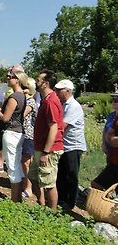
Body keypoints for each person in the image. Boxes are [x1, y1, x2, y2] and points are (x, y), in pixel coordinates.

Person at [0, 70, 28, 202]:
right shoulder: (23, 96)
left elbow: (5, 118)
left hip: (11, 133)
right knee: (16, 165)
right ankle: (17, 199)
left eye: (11, 77)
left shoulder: (14, 97)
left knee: (12, 168)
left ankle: (15, 200)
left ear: (17, 80)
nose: (8, 78)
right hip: (18, 132)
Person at [28, 69, 64, 212]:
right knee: (33, 177)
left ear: (46, 84)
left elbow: (54, 128)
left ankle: (52, 213)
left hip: (49, 150)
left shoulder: (51, 102)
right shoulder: (46, 100)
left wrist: (46, 152)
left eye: (39, 80)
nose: (36, 82)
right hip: (40, 148)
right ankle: (42, 207)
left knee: (49, 184)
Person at [54, 79, 87, 210]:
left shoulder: (73, 106)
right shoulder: (63, 105)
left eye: (59, 90)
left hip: (73, 146)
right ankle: (61, 199)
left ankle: (70, 202)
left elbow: (62, 126)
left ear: (67, 91)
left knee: (71, 174)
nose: (56, 92)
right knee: (61, 173)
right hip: (65, 145)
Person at [91, 113, 118, 190]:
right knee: (96, 184)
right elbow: (109, 134)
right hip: (114, 161)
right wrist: (112, 140)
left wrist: (113, 139)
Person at [21, 77, 37, 199]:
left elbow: (22, 115)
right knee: (23, 161)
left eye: (25, 87)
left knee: (27, 162)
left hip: (28, 135)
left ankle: (29, 188)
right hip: (22, 134)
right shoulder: (25, 101)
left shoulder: (30, 102)